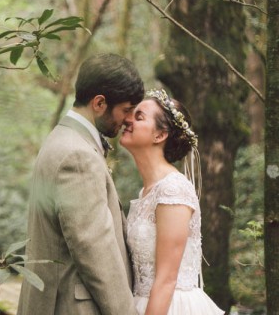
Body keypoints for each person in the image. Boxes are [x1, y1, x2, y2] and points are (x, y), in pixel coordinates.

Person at [17, 53, 144, 315]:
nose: (129, 119)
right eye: (126, 110)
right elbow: (95, 250)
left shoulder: (62, 139)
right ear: (99, 103)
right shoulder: (78, 156)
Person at [119, 88, 224, 315]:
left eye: (139, 117)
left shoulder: (173, 190)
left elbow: (167, 279)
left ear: (160, 135)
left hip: (172, 307)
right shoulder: (146, 191)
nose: (127, 120)